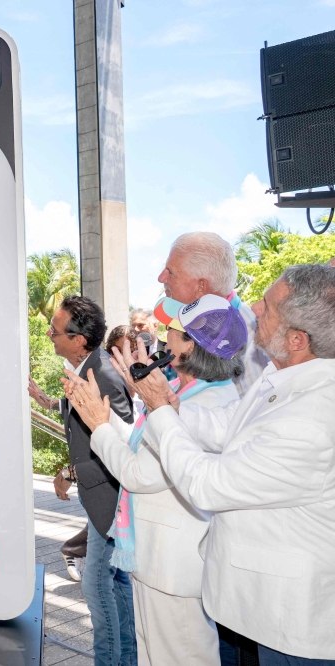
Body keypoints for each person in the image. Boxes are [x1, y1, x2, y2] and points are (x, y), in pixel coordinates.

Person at [114, 265, 335, 666]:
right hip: (257, 605)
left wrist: (160, 410)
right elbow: (227, 426)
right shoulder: (281, 379)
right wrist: (173, 404)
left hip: (292, 622)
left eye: (267, 308)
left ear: (297, 340)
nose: (252, 307)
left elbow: (207, 485)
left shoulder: (313, 416)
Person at [63, 294, 246, 666]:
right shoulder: (187, 393)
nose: (163, 339)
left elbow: (139, 473)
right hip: (157, 560)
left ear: (193, 347)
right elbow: (138, 445)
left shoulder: (206, 404)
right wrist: (105, 415)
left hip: (174, 566)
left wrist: (98, 424)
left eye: (174, 332)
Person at [27, 295, 136, 666]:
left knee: (99, 590)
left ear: (78, 339)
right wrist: (43, 399)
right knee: (116, 591)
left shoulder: (102, 372)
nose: (49, 335)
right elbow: (79, 409)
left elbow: (124, 442)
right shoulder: (91, 365)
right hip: (101, 502)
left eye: (55, 331)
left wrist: (71, 472)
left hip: (111, 502)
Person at [158, 231, 269, 397]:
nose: (161, 278)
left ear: (201, 287)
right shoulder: (193, 323)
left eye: (170, 272)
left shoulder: (250, 337)